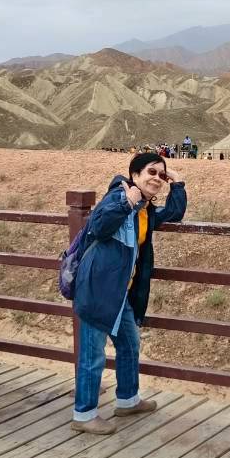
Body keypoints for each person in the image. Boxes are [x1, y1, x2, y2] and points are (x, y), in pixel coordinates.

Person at [70, 153, 187, 434]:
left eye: (161, 175)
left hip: (119, 294)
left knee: (129, 344)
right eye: (151, 172)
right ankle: (83, 415)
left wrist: (178, 184)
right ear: (134, 175)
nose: (157, 179)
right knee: (92, 354)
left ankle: (127, 400)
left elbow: (173, 213)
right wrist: (127, 201)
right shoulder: (118, 197)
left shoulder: (144, 209)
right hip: (98, 290)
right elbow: (99, 226)